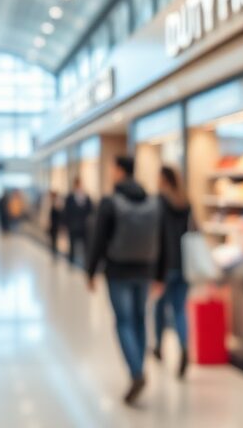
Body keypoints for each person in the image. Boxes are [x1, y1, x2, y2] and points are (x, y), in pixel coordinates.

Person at [87, 156, 160, 406]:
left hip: (118, 271)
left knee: (123, 321)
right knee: (140, 319)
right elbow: (159, 239)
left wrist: (90, 270)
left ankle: (136, 371)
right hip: (145, 270)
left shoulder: (110, 202)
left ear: (119, 171)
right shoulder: (151, 201)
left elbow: (98, 239)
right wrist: (159, 273)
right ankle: (139, 368)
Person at [153, 166, 193, 379]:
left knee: (159, 306)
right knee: (179, 310)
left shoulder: (159, 203)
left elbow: (157, 235)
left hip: (165, 264)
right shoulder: (185, 202)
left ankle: (159, 347)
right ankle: (184, 346)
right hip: (185, 263)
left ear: (164, 180)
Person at [64, 177, 93, 265]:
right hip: (73, 226)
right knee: (72, 245)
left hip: (84, 226)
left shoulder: (86, 197)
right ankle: (71, 262)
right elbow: (66, 212)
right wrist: (66, 225)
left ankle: (85, 262)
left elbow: (90, 212)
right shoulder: (70, 197)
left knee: (85, 246)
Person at [48, 191, 64, 256]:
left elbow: (59, 215)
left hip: (55, 224)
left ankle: (54, 250)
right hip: (52, 224)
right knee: (52, 238)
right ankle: (52, 249)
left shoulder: (57, 204)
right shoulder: (50, 203)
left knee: (55, 238)